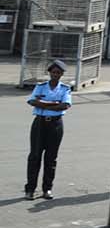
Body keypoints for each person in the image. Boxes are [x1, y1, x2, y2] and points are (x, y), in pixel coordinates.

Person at [24, 60, 72, 200]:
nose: (56, 75)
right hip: (40, 123)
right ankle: (30, 189)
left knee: (51, 157)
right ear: (49, 73)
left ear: (62, 74)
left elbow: (65, 105)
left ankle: (47, 189)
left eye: (58, 73)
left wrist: (42, 104)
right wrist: (53, 104)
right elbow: (32, 101)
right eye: (53, 72)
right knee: (35, 156)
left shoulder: (65, 89)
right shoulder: (41, 87)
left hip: (55, 124)